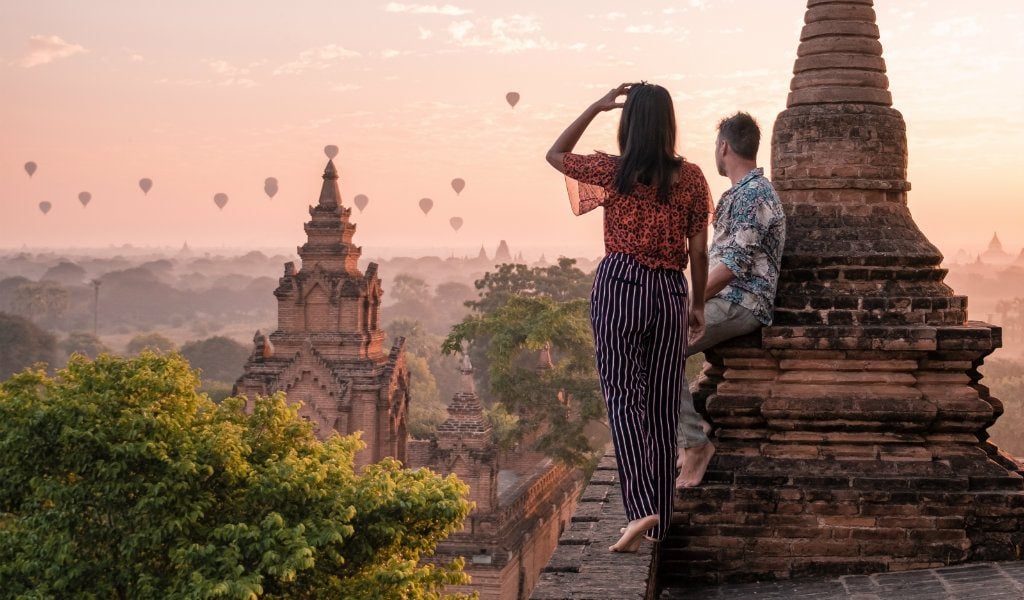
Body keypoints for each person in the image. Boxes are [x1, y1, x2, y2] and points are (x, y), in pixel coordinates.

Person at [546, 82, 711, 552]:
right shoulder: (693, 178)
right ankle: (659, 520)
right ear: (669, 123)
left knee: (624, 400)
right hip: (667, 290)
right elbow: (698, 252)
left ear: (628, 123)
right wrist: (696, 304)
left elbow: (556, 154)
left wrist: (595, 106)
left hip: (619, 285)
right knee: (662, 410)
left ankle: (641, 510)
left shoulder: (614, 172)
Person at [675, 112, 786, 489]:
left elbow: (734, 265)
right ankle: (692, 431)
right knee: (652, 338)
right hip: (729, 296)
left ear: (723, 147)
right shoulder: (743, 193)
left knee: (653, 347)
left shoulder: (752, 195)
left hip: (742, 300)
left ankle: (694, 444)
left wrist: (692, 302)